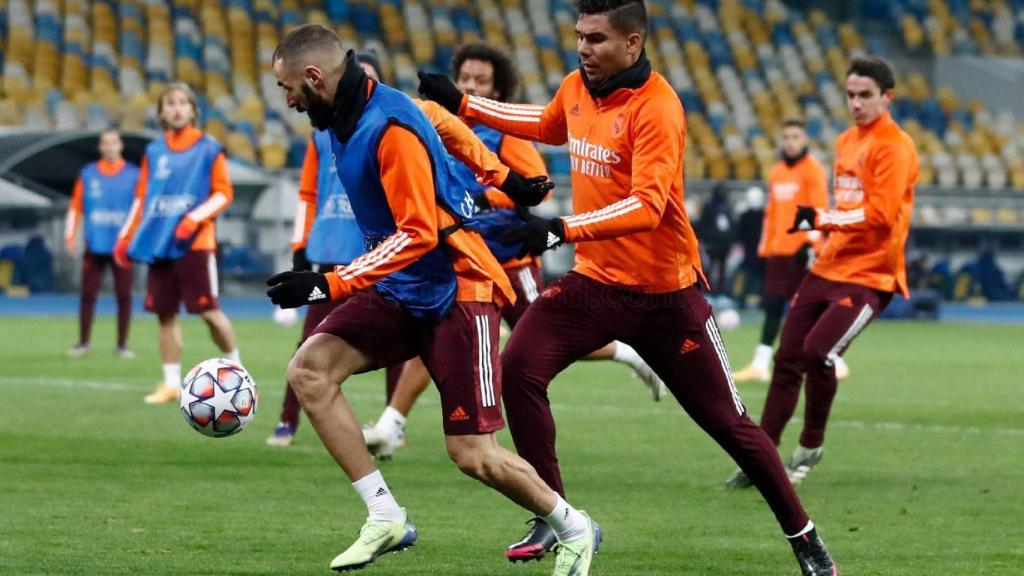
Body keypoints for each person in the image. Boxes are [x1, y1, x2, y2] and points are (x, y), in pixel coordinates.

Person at [418, 2, 835, 574]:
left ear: (632, 43)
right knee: (518, 367)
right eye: (579, 37)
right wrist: (462, 104)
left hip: (666, 297)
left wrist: (561, 228)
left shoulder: (658, 107)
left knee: (731, 426)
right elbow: (546, 125)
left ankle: (805, 537)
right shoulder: (577, 86)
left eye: (595, 39)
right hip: (594, 284)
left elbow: (648, 205)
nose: (583, 48)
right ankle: (556, 515)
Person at [267, 25, 600, 575]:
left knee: (473, 455)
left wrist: (330, 283)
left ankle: (574, 526)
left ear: (314, 76)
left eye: (287, 88)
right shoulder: (350, 116)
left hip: (458, 291)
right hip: (404, 287)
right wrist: (502, 176)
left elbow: (419, 233)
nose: (287, 100)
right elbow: (444, 121)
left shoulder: (388, 127)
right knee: (310, 371)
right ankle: (384, 515)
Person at [362, 41, 666, 461]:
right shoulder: (439, 123)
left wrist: (489, 198)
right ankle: (392, 424)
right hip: (465, 257)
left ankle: (626, 351)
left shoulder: (504, 132)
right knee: (436, 327)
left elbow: (536, 183)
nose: (470, 85)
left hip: (511, 260)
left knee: (541, 338)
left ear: (499, 90)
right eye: (465, 78)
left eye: (480, 81)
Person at [727, 56, 918, 488]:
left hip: (872, 273)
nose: (855, 103)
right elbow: (849, 208)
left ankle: (810, 445)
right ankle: (763, 459)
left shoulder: (895, 146)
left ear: (887, 97)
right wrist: (824, 232)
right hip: (830, 266)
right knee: (786, 358)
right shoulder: (846, 141)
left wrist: (821, 220)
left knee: (818, 352)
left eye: (865, 95)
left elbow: (882, 216)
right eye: (850, 94)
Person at [114, 83, 241, 404]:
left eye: (183, 103)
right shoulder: (154, 153)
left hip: (195, 245)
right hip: (160, 244)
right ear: (160, 113)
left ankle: (237, 369)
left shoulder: (209, 149)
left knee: (209, 312)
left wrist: (193, 220)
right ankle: (171, 382)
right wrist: (126, 236)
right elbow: (142, 198)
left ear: (193, 110)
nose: (176, 108)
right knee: (165, 314)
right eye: (169, 103)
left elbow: (223, 193)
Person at [733, 120, 851, 383]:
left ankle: (833, 357)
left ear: (805, 140)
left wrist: (811, 243)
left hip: (802, 250)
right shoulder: (777, 173)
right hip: (779, 252)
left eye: (795, 137)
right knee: (773, 307)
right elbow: (772, 214)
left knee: (810, 307)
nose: (790, 141)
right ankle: (760, 364)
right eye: (786, 137)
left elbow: (819, 208)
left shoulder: (812, 170)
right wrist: (765, 249)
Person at [65, 128, 139, 359]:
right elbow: (76, 207)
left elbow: (141, 209)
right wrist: (70, 236)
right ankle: (84, 343)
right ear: (100, 147)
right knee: (88, 294)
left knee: (124, 295)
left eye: (113, 142)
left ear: (120, 146)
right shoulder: (88, 174)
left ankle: (122, 346)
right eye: (105, 143)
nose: (109, 147)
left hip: (122, 247)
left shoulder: (134, 175)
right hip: (94, 244)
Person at [698, 184, 734, 294]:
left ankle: (720, 291)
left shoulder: (727, 208)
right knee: (709, 268)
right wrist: (707, 240)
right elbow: (703, 225)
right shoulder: (709, 207)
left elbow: (731, 225)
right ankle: (709, 290)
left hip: (724, 244)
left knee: (722, 269)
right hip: (712, 244)